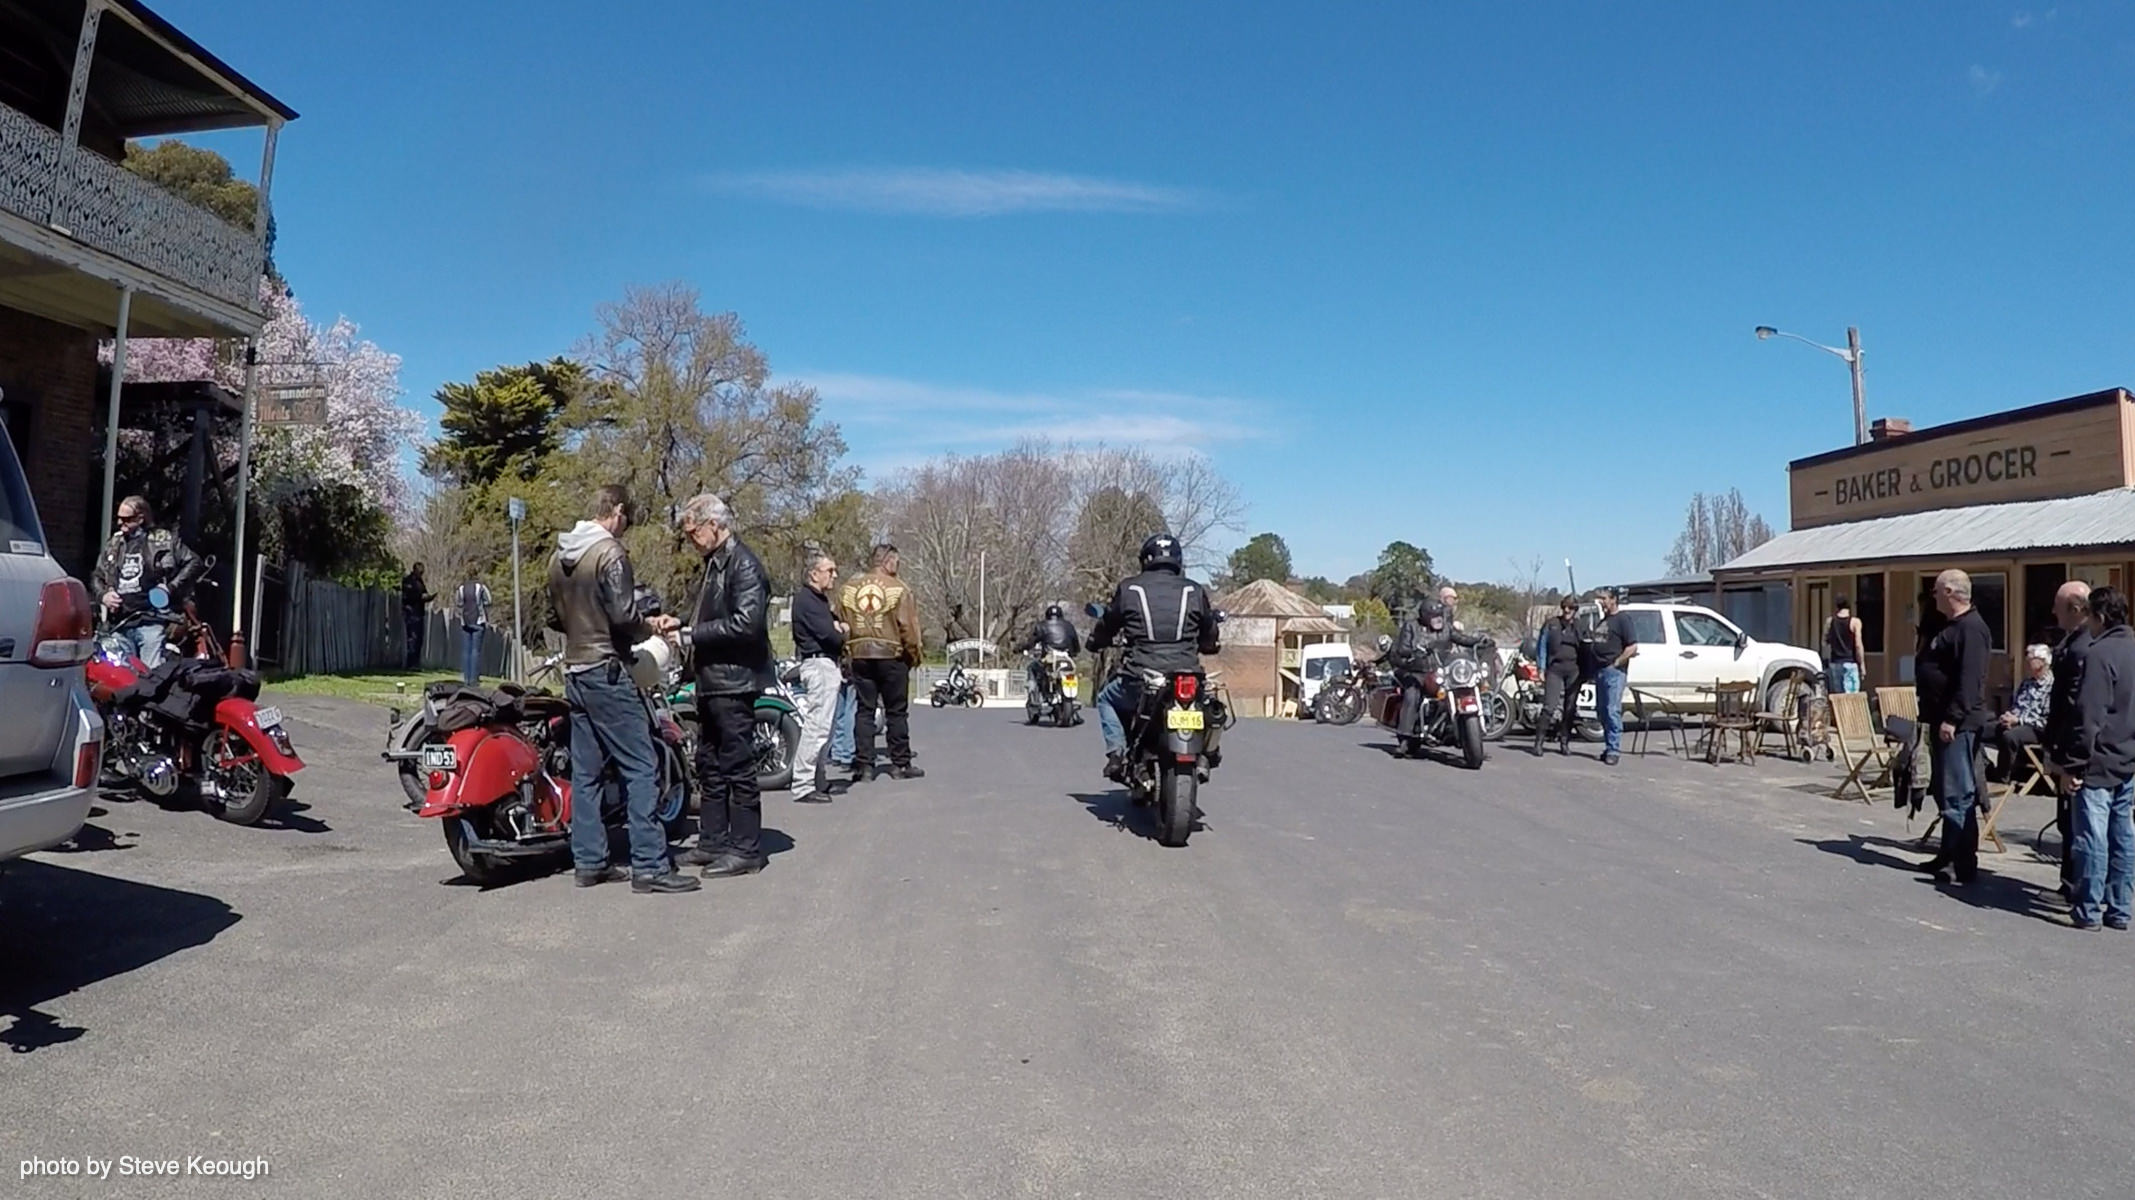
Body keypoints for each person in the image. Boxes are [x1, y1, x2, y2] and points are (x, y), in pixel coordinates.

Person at [548, 484, 697, 894]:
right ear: (616, 511)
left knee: (587, 772)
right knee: (642, 766)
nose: (626, 525)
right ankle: (650, 866)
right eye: (626, 517)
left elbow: (554, 617)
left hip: (575, 670)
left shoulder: (559, 556)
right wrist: (651, 626)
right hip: (607, 670)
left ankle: (589, 861)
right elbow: (624, 617)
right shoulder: (610, 553)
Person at [672, 494, 776, 878]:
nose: (691, 540)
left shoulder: (743, 564)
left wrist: (691, 635)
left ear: (714, 525)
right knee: (709, 764)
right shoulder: (714, 563)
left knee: (737, 764)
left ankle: (746, 849)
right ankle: (713, 841)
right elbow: (709, 614)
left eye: (694, 532)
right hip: (712, 680)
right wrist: (679, 624)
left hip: (735, 681)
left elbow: (747, 624)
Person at [1087, 533, 1221, 781]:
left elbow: (1108, 623)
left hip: (1141, 677)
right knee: (1211, 705)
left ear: (1145, 559)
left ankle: (1117, 753)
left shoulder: (1130, 588)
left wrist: (1096, 641)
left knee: (1106, 698)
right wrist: (1210, 645)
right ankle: (1208, 752)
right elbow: (1209, 630)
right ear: (1178, 560)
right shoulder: (1194, 590)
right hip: (1187, 676)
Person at [2062, 585, 2135, 930]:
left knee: (2093, 837)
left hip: (2098, 758)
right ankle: (2119, 908)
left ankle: (2088, 908)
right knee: (2122, 834)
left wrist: (2074, 763)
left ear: (2100, 617)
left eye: (2090, 616)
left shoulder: (2098, 654)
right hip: (2127, 754)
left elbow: (2088, 714)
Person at [1915, 569, 1993, 885]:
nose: (1933, 597)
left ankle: (1962, 863)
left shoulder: (1972, 629)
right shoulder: (1950, 626)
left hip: (1958, 725)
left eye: (1936, 591)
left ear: (1949, 592)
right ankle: (1946, 855)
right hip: (1939, 719)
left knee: (1959, 793)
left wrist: (1952, 718)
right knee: (1945, 792)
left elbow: (1970, 681)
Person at [837, 543, 925, 783]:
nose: (898, 566)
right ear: (889, 561)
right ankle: (900, 764)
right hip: (891, 655)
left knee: (864, 711)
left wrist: (847, 652)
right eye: (897, 562)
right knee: (896, 712)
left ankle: (864, 766)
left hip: (860, 654)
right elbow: (908, 628)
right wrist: (913, 655)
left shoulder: (849, 588)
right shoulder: (899, 588)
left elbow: (841, 621)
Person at [91, 495, 204, 671]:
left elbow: (194, 562)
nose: (120, 523)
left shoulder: (163, 540)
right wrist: (103, 595)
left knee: (153, 676)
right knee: (123, 677)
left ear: (140, 518)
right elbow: (97, 576)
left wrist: (170, 587)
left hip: (152, 621)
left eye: (126, 519)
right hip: (120, 623)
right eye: (119, 519)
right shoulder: (114, 544)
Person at [1387, 593, 1489, 746]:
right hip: (1417, 670)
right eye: (1434, 616)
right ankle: (1405, 737)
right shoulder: (1411, 626)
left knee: (1463, 688)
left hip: (1441, 669)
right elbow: (1403, 648)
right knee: (1412, 694)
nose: (1438, 620)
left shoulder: (1446, 628)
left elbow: (1460, 638)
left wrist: (1479, 641)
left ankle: (1458, 727)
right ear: (1425, 616)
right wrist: (1414, 651)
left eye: (1439, 616)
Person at [2044, 581, 2093, 898]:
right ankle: (2071, 881)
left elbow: (2076, 707)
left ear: (2075, 609)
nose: (2053, 612)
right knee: (2068, 819)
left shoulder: (2083, 648)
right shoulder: (2073, 641)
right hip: (2068, 743)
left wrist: (2067, 756)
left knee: (2077, 821)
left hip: (2077, 748)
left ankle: (2077, 884)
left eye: (2058, 607)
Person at [786, 551, 847, 805]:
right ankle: (803, 784)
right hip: (818, 664)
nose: (834, 575)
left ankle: (817, 778)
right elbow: (830, 636)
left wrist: (838, 628)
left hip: (827, 664)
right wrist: (839, 632)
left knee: (827, 728)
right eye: (829, 570)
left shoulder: (819, 600)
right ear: (813, 574)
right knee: (817, 727)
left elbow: (836, 627)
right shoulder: (807, 601)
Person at [1580, 589, 1640, 766]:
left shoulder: (1623, 620)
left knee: (1612, 710)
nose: (1601, 602)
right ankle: (1608, 747)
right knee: (1602, 711)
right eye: (1600, 598)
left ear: (1614, 600)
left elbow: (1632, 647)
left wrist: (1617, 662)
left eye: (1604, 598)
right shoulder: (1604, 620)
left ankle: (1614, 749)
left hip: (1614, 672)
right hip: (1599, 671)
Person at [1987, 644, 2053, 782]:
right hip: (2016, 722)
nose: (2026, 662)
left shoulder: (2052, 687)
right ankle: (1985, 768)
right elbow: (2017, 706)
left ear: (2042, 662)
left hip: (2037, 730)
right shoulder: (2027, 683)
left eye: (2030, 659)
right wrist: (2009, 716)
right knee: (1982, 729)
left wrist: (2019, 720)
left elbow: (2046, 721)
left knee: (2009, 736)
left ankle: (2002, 777)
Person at [1532, 595, 1584, 756]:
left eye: (1570, 607)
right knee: (1549, 706)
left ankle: (1564, 742)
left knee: (1570, 708)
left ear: (1575, 609)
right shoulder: (1551, 624)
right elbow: (1542, 646)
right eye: (1564, 607)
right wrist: (1541, 669)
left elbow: (1587, 647)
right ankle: (1538, 742)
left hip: (1574, 670)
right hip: (1555, 669)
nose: (1567, 610)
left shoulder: (1580, 626)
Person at [1019, 603, 1082, 696]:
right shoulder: (1069, 626)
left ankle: (1033, 694)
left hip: (1050, 656)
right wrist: (1075, 652)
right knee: (1070, 672)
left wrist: (1021, 648)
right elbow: (1075, 642)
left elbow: (1031, 642)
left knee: (1032, 667)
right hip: (1067, 657)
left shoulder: (1041, 626)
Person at [453, 575, 493, 686]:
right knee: (475, 651)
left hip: (465, 622)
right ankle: (474, 679)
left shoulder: (461, 588)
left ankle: (466, 678)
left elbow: (458, 603)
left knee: (466, 651)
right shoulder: (481, 587)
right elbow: (489, 601)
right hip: (478, 621)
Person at [1825, 596, 1865, 695]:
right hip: (1850, 663)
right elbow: (1858, 645)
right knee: (1852, 697)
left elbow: (1824, 641)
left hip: (1835, 663)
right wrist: (1862, 664)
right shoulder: (1855, 622)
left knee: (1838, 697)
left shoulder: (1830, 621)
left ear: (1837, 607)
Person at [400, 563, 435, 669]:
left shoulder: (420, 581)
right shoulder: (408, 581)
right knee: (412, 638)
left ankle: (416, 663)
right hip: (411, 612)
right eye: (420, 572)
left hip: (419, 612)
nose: (421, 574)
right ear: (415, 570)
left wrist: (428, 597)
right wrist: (420, 597)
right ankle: (410, 663)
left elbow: (424, 592)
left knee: (419, 639)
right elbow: (407, 596)